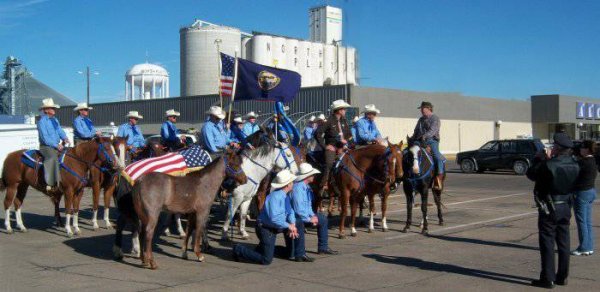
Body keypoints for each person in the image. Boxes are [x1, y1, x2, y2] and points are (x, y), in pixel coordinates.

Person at [526, 133, 580, 289]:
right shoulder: (575, 164)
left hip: (550, 206)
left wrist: (539, 158)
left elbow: (531, 174)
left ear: (558, 148)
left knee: (547, 242)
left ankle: (547, 278)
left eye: (554, 146)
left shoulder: (549, 165)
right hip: (566, 205)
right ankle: (562, 276)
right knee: (564, 241)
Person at [232, 169, 299, 265]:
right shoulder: (275, 197)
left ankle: (264, 249)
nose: (293, 183)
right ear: (287, 184)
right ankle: (239, 249)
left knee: (284, 252)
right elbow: (274, 218)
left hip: (273, 226)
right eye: (292, 182)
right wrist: (289, 226)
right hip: (265, 228)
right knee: (266, 260)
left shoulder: (285, 195)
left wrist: (292, 224)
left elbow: (290, 211)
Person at [290, 163, 338, 261]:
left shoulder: (306, 187)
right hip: (296, 217)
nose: (314, 176)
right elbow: (298, 209)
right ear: (307, 176)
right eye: (312, 174)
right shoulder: (298, 188)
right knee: (302, 223)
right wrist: (309, 219)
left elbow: (307, 206)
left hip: (304, 215)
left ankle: (323, 247)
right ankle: (300, 253)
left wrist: (313, 216)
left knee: (322, 218)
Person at [315, 99, 353, 189]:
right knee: (329, 163)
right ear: (339, 110)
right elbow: (317, 134)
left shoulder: (344, 121)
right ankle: (324, 184)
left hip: (343, 147)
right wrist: (325, 146)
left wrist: (345, 141)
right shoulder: (329, 121)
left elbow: (349, 134)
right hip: (332, 147)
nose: (345, 111)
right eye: (344, 109)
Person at [37, 98, 72, 192]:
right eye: (52, 108)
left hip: (57, 145)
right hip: (46, 147)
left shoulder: (55, 120)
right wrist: (56, 145)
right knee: (52, 157)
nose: (54, 110)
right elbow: (45, 138)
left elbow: (59, 130)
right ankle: (50, 183)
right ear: (46, 110)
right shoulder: (41, 122)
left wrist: (65, 137)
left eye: (54, 108)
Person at [411, 101, 444, 190]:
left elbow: (433, 130)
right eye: (421, 109)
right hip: (419, 141)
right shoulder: (421, 120)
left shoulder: (435, 118)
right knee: (408, 152)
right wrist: (412, 138)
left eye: (423, 109)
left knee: (437, 157)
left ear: (429, 108)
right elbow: (416, 130)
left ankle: (438, 178)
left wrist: (424, 136)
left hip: (432, 141)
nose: (421, 110)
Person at [572, 140, 597, 256]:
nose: (580, 149)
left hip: (582, 193)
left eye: (582, 148)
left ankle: (583, 247)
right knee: (587, 221)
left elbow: (573, 173)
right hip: (590, 191)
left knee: (582, 221)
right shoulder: (592, 160)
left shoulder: (583, 162)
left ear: (587, 149)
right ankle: (589, 246)